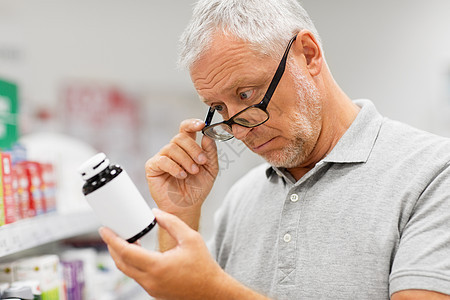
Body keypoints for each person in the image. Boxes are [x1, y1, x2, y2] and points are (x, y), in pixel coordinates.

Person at [99, 0, 450, 299]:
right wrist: (180, 215)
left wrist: (215, 292)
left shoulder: (434, 174)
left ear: (308, 55)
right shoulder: (241, 199)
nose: (238, 130)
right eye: (219, 108)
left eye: (246, 94)